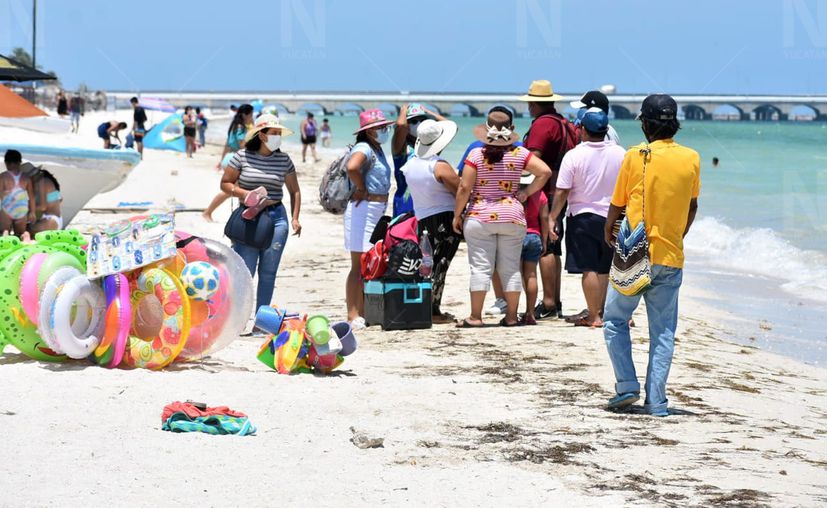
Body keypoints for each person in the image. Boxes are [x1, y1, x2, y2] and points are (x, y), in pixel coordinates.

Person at [602, 94, 700, 416]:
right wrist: (676, 235)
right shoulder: (692, 158)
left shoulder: (635, 155)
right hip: (671, 258)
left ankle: (626, 385)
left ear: (644, 123)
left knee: (615, 320)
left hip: (634, 253)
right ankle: (657, 401)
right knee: (663, 332)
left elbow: (618, 203)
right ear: (674, 124)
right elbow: (692, 205)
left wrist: (608, 230)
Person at [453, 109, 551, 328]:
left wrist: (457, 214)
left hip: (480, 216)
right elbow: (545, 172)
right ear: (511, 130)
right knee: (510, 268)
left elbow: (464, 187)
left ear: (487, 130)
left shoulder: (476, 155)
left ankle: (476, 316)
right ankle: (512, 317)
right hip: (513, 216)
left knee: (480, 267)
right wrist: (526, 193)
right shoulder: (520, 154)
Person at [549, 108, 625, 327]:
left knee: (589, 268)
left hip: (582, 217)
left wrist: (553, 217)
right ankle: (601, 310)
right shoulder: (620, 153)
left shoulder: (574, 155)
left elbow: (562, 191)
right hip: (613, 216)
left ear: (582, 129)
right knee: (605, 267)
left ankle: (594, 316)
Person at [220, 114, 302, 310]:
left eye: (279, 133)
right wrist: (244, 193)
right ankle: (238, 317)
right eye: (274, 133)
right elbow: (225, 183)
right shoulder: (242, 156)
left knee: (269, 271)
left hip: (277, 219)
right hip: (249, 218)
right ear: (262, 136)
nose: (278, 137)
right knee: (245, 271)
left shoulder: (284, 159)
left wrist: (295, 218)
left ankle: (261, 319)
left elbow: (294, 190)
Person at [519, 79, 577, 321]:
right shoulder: (565, 123)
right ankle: (555, 300)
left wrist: (523, 189)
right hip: (562, 190)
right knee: (554, 245)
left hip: (545, 190)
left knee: (546, 246)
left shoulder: (543, 125)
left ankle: (550, 302)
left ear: (534, 104)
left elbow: (533, 161)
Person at [400, 119, 461, 324]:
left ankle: (423, 305)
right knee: (441, 263)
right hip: (444, 218)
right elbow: (461, 191)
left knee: (427, 264)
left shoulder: (410, 165)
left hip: (422, 219)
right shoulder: (439, 166)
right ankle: (433, 311)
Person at [344, 109, 394, 329]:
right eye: (380, 127)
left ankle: (363, 311)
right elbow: (352, 167)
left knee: (369, 261)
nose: (385, 130)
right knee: (359, 263)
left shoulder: (376, 148)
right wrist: (362, 187)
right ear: (369, 131)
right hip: (362, 209)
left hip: (375, 208)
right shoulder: (364, 147)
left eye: (386, 127)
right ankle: (352, 314)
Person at [391, 103, 447, 217]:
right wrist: (404, 110)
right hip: (406, 201)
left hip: (428, 201)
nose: (419, 124)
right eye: (413, 121)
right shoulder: (401, 147)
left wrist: (427, 112)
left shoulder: (431, 148)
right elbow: (401, 125)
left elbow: (448, 126)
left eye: (422, 120)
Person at [203, 104, 254, 222]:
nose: (252, 116)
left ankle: (241, 215)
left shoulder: (235, 126)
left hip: (229, 157)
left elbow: (226, 144)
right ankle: (208, 212)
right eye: (251, 114)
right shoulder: (242, 127)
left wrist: (221, 161)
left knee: (236, 189)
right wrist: (252, 134)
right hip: (235, 159)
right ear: (245, 114)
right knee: (232, 190)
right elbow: (242, 145)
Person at [518, 171, 549, 326]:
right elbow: (544, 218)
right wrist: (544, 240)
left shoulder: (512, 193)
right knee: (531, 275)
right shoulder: (540, 194)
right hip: (534, 236)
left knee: (515, 276)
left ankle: (513, 311)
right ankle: (530, 313)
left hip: (515, 236)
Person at [1, 150, 36, 237]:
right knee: (20, 234)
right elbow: (31, 197)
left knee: (4, 232)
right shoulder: (26, 177)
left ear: (6, 163)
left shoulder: (3, 176)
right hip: (21, 210)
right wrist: (33, 212)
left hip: (7, 209)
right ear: (20, 162)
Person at [26, 164, 63, 232]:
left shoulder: (41, 182)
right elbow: (60, 199)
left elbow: (43, 207)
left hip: (49, 221)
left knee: (22, 229)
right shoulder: (47, 181)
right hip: (55, 219)